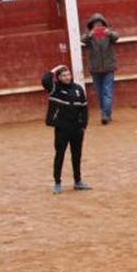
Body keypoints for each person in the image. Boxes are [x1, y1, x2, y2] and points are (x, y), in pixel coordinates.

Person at [42, 64, 89, 194]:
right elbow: (45, 80)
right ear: (58, 78)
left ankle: (78, 181)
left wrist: (83, 125)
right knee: (60, 155)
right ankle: (57, 182)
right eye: (64, 75)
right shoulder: (54, 89)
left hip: (76, 128)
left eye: (68, 75)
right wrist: (55, 68)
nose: (67, 77)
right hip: (62, 128)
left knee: (77, 155)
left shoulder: (78, 89)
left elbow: (84, 108)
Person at [80, 14, 119, 124]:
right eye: (96, 24)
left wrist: (109, 33)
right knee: (100, 92)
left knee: (106, 92)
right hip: (96, 69)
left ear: (103, 25)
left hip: (108, 68)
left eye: (100, 24)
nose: (98, 26)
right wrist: (90, 35)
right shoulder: (89, 36)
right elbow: (82, 39)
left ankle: (105, 114)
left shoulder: (109, 34)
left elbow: (116, 37)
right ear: (92, 26)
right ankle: (106, 113)